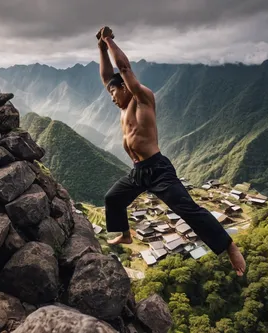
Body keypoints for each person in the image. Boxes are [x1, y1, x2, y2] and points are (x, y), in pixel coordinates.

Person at [96, 26, 246, 276]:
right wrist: (100, 49)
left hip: (157, 168)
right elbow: (107, 76)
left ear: (125, 87)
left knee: (187, 209)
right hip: (138, 170)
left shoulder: (142, 98)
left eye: (114, 91)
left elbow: (123, 69)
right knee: (113, 198)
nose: (111, 97)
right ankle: (125, 234)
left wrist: (109, 41)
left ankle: (229, 247)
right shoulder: (122, 108)